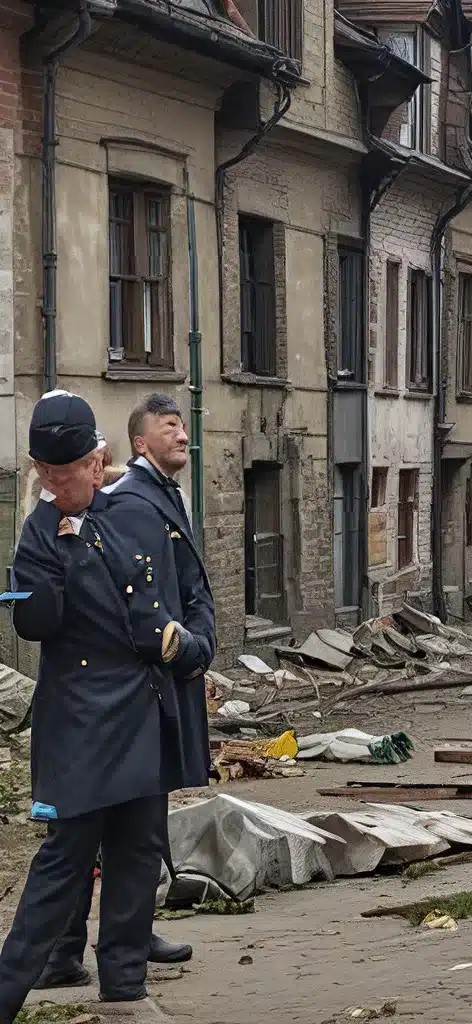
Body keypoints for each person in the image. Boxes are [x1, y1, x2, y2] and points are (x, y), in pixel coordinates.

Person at [0, 391, 207, 1024]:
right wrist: (59, 542)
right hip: (80, 717)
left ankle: (124, 985)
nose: (59, 486)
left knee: (138, 852)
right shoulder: (38, 530)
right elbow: (37, 624)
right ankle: (7, 991)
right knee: (65, 858)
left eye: (70, 474)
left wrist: (188, 646)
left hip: (141, 707)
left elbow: (177, 598)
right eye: (48, 476)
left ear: (100, 462)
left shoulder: (139, 515)